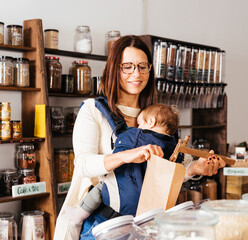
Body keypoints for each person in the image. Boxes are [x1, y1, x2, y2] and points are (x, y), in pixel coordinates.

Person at [53, 35, 225, 240]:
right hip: (104, 226)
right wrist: (126, 156)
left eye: (143, 66)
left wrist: (195, 169)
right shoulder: (93, 110)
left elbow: (164, 173)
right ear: (114, 69)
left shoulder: (158, 117)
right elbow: (82, 165)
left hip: (148, 227)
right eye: (128, 66)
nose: (137, 73)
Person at [70, 103, 181, 228]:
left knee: (103, 186)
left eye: (139, 124)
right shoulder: (172, 146)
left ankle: (78, 215)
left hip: (108, 221)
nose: (138, 127)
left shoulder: (135, 137)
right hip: (146, 220)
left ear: (151, 121)